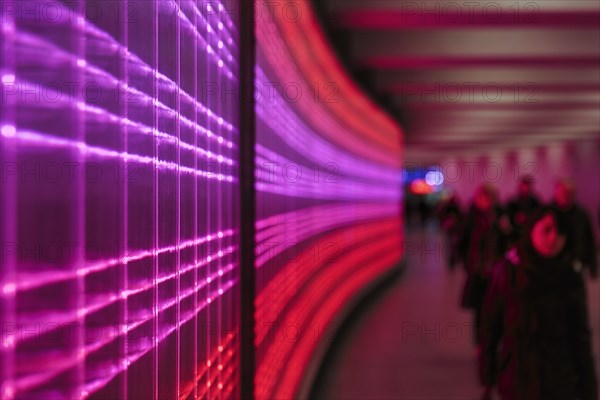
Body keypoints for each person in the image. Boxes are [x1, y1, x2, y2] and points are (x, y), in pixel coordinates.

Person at [479, 207, 597, 400]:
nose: (553, 239)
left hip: (560, 382)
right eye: (547, 230)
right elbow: (490, 328)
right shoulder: (509, 272)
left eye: (560, 233)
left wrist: (589, 387)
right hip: (517, 379)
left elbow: (580, 337)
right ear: (532, 230)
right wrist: (487, 375)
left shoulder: (570, 277)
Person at [458, 184, 508, 343]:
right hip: (478, 271)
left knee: (497, 308)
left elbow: (508, 241)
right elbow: (463, 241)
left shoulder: (500, 218)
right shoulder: (472, 218)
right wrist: (467, 263)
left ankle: (494, 341)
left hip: (496, 271)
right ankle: (480, 343)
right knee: (480, 309)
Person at [550, 179, 597, 279]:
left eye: (570, 193)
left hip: (577, 264)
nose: (566, 196)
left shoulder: (581, 215)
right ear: (556, 193)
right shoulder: (547, 215)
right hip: (553, 266)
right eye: (563, 192)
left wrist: (593, 268)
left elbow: (589, 240)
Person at [505, 175, 541, 245]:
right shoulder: (512, 203)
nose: (525, 189)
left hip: (531, 235)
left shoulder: (535, 202)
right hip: (515, 236)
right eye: (523, 187)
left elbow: (538, 216)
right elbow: (508, 219)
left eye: (527, 187)